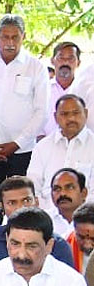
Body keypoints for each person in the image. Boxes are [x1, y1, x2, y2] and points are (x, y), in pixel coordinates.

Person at [0, 15, 49, 215]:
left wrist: (16, 144)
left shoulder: (35, 67)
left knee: (21, 205)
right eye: (5, 37)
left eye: (15, 37)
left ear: (23, 37)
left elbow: (41, 112)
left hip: (22, 152)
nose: (10, 43)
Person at [27, 95, 94, 225]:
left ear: (85, 113)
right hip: (46, 219)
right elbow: (33, 186)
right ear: (55, 117)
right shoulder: (43, 146)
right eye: (64, 114)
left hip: (87, 221)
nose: (71, 118)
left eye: (76, 113)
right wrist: (50, 215)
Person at [45, 43, 81, 139]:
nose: (65, 62)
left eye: (71, 58)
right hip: (45, 147)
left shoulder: (84, 90)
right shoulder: (43, 89)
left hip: (80, 148)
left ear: (78, 63)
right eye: (61, 58)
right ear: (52, 61)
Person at [48, 167, 88, 239]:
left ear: (83, 193)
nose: (62, 193)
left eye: (69, 187)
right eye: (57, 189)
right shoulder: (44, 220)